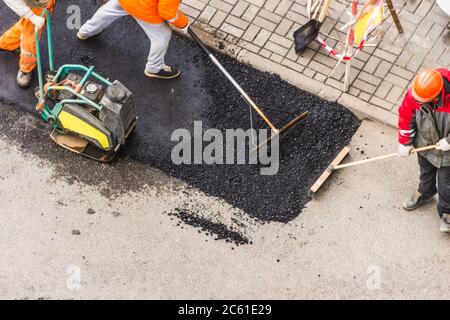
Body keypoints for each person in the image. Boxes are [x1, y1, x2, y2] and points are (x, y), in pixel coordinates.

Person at [77, 0, 189, 80]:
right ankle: (155, 67)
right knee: (162, 35)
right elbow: (166, 12)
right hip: (144, 7)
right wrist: (183, 23)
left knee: (108, 11)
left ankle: (86, 31)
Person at [398, 68, 450, 233]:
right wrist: (405, 142)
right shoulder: (417, 93)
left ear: (436, 96)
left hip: (448, 153)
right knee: (425, 171)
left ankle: (447, 211)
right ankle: (426, 192)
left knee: (446, 183)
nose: (417, 102)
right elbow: (406, 116)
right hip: (425, 145)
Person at [0, 0, 55, 88]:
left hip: (41, 4)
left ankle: (6, 43)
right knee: (30, 37)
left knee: (27, 29)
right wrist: (31, 16)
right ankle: (26, 67)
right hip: (35, 6)